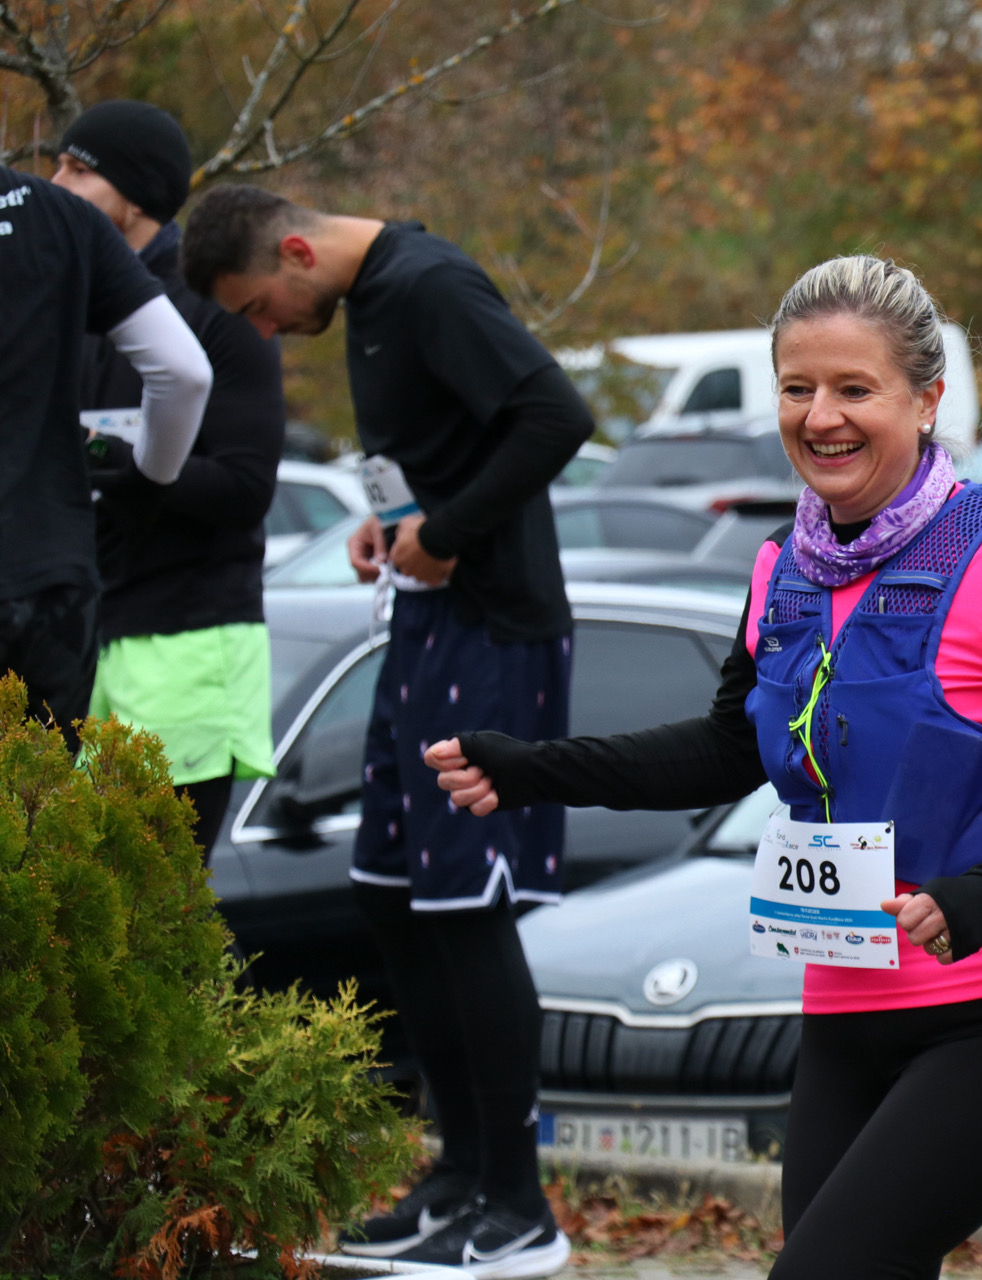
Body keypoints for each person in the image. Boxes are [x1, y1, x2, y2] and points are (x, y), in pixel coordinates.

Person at [424, 256, 982, 1280]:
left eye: (855, 389)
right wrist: (533, 769)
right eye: (797, 388)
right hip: (848, 1003)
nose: (821, 416)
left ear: (927, 399)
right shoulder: (782, 565)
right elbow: (727, 748)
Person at [183, 184, 595, 1276]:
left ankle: (519, 1207)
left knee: (465, 908)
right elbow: (456, 446)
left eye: (260, 306)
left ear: (299, 250)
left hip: (496, 631)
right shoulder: (373, 299)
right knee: (391, 891)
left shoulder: (431, 284)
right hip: (427, 620)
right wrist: (396, 519)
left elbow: (557, 415)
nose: (265, 330)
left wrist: (451, 530)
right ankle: (457, 1176)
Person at [51, 101, 286, 858]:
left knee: (154, 912)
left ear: (138, 193)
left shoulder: (215, 312)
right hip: (86, 637)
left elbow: (246, 489)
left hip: (189, 641)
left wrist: (110, 461)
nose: (54, 182)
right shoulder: (74, 304)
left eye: (77, 171)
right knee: (71, 918)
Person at [0, 159, 211, 749]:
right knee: (39, 825)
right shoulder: (65, 216)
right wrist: (148, 487)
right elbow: (183, 372)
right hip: (49, 578)